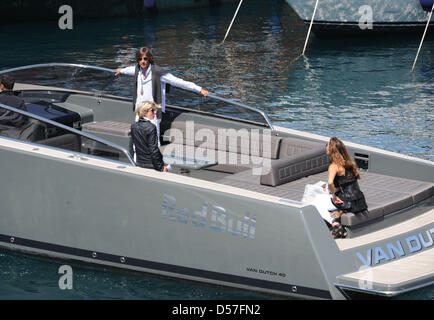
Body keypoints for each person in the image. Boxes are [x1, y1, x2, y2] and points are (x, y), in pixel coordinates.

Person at [326, 137, 369, 238]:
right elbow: (348, 183)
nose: (326, 147)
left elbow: (330, 182)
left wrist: (333, 195)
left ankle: (336, 224)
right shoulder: (348, 162)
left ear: (332, 149)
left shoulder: (334, 166)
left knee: (326, 206)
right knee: (335, 206)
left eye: (327, 145)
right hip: (359, 200)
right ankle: (338, 220)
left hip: (347, 200)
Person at [131, 101, 168, 172]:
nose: (155, 112)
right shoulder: (151, 127)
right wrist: (161, 168)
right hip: (151, 165)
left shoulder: (133, 126)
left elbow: (132, 145)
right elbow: (153, 150)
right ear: (145, 112)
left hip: (139, 162)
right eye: (152, 110)